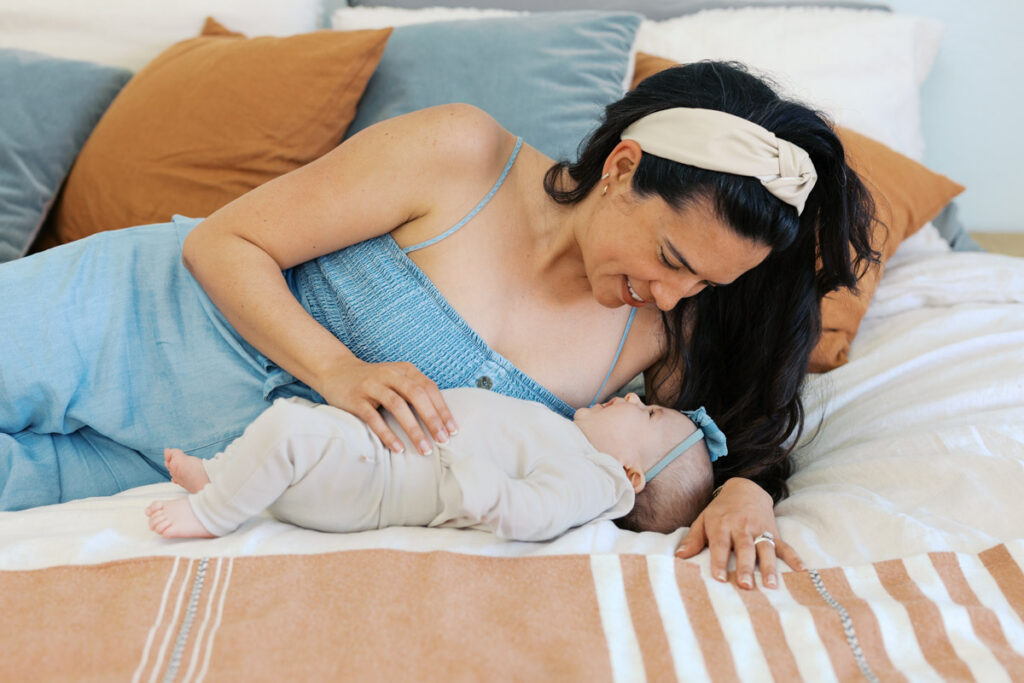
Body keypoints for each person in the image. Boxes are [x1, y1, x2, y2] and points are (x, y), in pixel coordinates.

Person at [0, 61, 876, 589]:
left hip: (198, 460)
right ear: (622, 166)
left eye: (703, 285)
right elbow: (228, 243)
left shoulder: (658, 333)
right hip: (128, 318)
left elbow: (708, 445)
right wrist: (337, 371)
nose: (675, 295)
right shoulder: (463, 156)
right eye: (673, 259)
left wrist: (748, 490)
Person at [144, 389, 721, 541]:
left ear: (632, 473)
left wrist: (492, 496)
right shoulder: (564, 434)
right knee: (293, 417)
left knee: (289, 431)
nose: (631, 399)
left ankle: (215, 511)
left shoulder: (596, 481)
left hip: (376, 484)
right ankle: (220, 475)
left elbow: (542, 510)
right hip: (378, 452)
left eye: (646, 414)